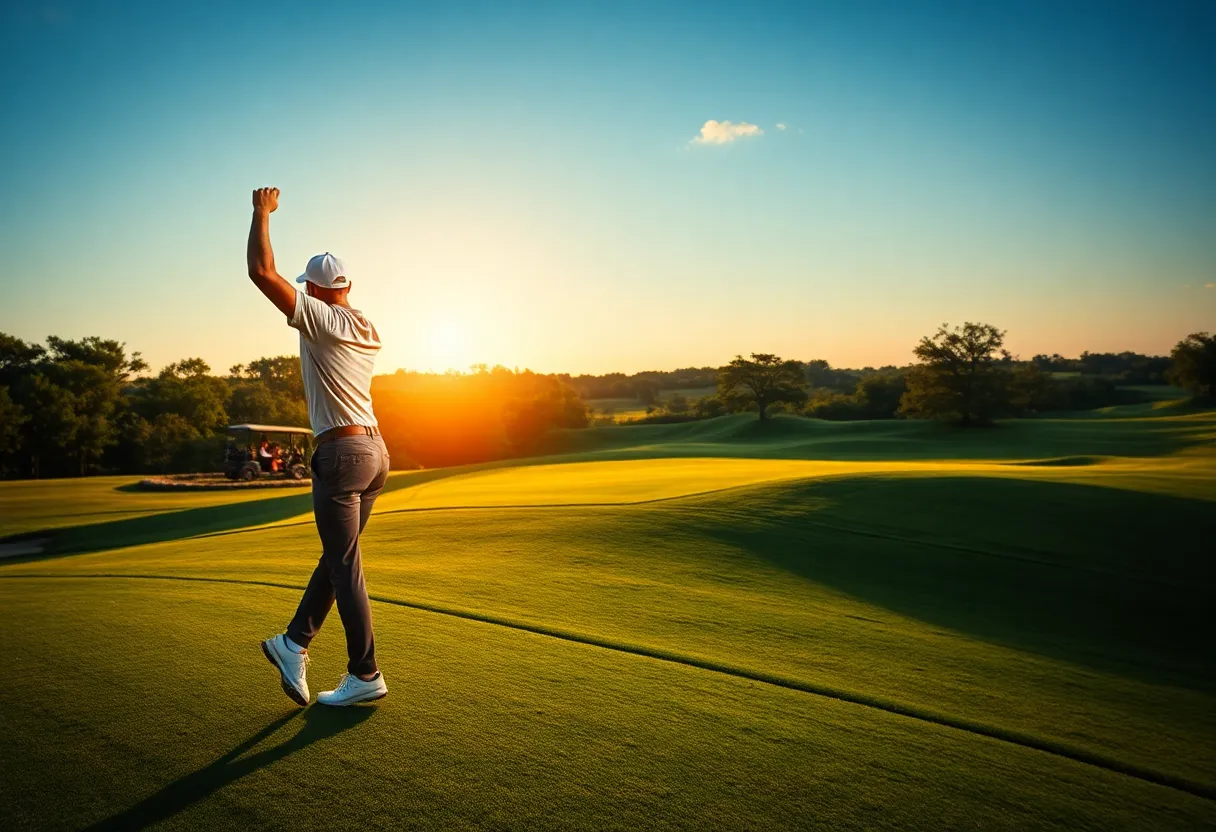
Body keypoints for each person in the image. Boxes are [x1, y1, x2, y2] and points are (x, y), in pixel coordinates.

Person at [249, 186, 390, 707]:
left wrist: (262, 213)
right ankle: (293, 644)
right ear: (348, 285)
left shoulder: (321, 319)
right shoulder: (366, 325)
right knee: (338, 557)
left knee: (345, 565)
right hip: (375, 452)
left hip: (341, 454)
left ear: (312, 288)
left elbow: (262, 273)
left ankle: (366, 673)